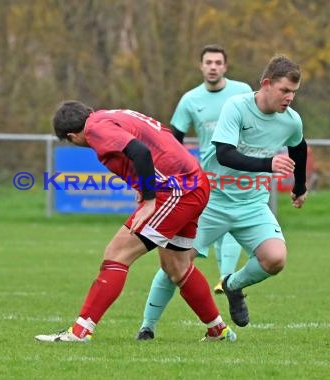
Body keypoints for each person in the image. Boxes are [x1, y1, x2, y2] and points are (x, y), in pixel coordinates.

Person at [34, 101, 236, 343]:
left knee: (116, 254)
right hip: (193, 184)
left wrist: (151, 198)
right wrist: (145, 185)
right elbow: (163, 137)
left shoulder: (94, 129)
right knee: (176, 265)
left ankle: (80, 331)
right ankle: (218, 331)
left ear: (72, 135)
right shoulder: (112, 115)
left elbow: (140, 151)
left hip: (175, 191)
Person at [135, 44, 253, 340]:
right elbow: (171, 140)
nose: (213, 66)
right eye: (208, 62)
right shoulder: (190, 100)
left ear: (226, 66)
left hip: (242, 187)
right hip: (204, 188)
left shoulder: (243, 92)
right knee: (175, 258)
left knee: (250, 245)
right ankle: (147, 326)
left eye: (218, 62)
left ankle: (227, 282)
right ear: (201, 67)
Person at [201, 54, 308, 328]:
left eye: (294, 93)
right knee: (175, 261)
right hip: (212, 200)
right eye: (285, 90)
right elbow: (224, 155)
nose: (289, 98)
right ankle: (147, 327)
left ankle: (232, 286)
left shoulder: (291, 120)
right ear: (267, 84)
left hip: (251, 204)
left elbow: (299, 146)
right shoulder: (237, 106)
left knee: (276, 259)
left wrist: (299, 186)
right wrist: (268, 164)